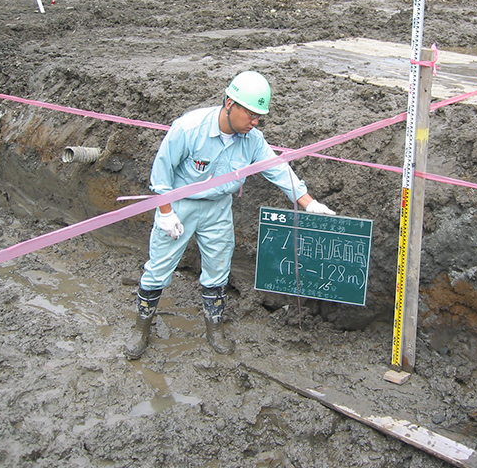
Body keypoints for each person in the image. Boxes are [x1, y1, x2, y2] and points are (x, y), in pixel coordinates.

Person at [125, 71, 335, 359]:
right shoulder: (188, 129)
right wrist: (165, 212)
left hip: (218, 208)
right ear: (229, 104)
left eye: (259, 115)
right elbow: (161, 173)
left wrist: (309, 203)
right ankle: (141, 328)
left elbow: (278, 168)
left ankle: (214, 327)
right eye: (251, 114)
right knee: (159, 268)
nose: (256, 121)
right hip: (179, 205)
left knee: (217, 269)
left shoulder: (252, 140)